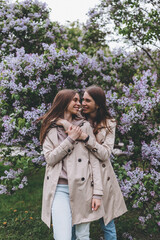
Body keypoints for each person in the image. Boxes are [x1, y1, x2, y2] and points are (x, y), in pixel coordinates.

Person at [58, 85, 127, 240]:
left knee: (107, 223)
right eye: (82, 99)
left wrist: (87, 138)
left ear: (98, 104)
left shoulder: (109, 123)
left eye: (87, 100)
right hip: (80, 175)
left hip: (101, 176)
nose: (83, 103)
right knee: (77, 220)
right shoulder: (78, 118)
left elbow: (105, 154)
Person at [37, 89, 105, 240]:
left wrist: (97, 193)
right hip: (59, 190)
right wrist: (70, 140)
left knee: (83, 236)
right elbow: (50, 159)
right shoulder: (50, 128)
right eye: (75, 100)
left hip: (83, 188)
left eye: (79, 100)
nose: (79, 103)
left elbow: (94, 161)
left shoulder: (84, 127)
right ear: (64, 101)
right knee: (62, 236)